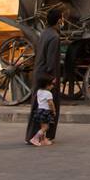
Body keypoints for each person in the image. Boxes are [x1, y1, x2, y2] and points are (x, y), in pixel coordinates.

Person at [25, 8, 63, 145]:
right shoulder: (54, 37)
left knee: (37, 106)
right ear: (59, 20)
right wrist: (52, 78)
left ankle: (32, 135)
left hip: (38, 72)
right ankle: (43, 135)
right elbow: (51, 60)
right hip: (48, 75)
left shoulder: (44, 33)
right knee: (49, 108)